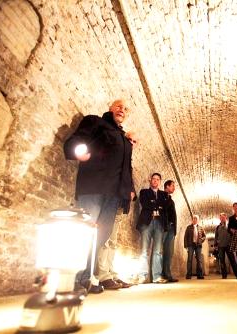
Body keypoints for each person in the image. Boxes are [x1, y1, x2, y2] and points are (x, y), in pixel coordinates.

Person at [63, 99, 136, 293]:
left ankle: (86, 277)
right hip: (93, 188)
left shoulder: (125, 138)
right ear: (110, 108)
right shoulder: (96, 122)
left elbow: (126, 167)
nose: (122, 109)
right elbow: (77, 139)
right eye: (119, 106)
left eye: (126, 109)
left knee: (100, 236)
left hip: (113, 195)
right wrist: (77, 151)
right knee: (84, 233)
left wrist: (130, 189)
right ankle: (72, 279)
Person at [136, 173, 169, 284]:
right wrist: (157, 205)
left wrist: (155, 203)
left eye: (157, 179)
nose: (155, 181)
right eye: (153, 179)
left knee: (157, 251)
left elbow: (165, 207)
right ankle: (142, 276)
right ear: (150, 180)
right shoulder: (144, 192)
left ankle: (156, 276)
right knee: (144, 250)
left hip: (159, 224)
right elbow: (145, 204)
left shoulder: (164, 194)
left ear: (160, 182)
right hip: (147, 223)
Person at [161, 180, 179, 283]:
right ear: (167, 186)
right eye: (172, 186)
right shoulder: (161, 196)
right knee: (160, 251)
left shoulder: (171, 200)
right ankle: (162, 274)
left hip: (171, 229)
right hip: (164, 227)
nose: (174, 188)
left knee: (169, 252)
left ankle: (167, 274)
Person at [215, 213, 237, 279]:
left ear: (226, 218)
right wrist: (216, 245)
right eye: (221, 218)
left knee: (232, 260)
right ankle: (224, 275)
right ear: (220, 219)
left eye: (223, 217)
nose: (222, 219)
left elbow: (234, 234)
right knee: (222, 261)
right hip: (220, 246)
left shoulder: (230, 225)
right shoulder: (218, 227)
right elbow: (216, 237)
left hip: (229, 245)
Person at [184, 215, 206, 279]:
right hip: (190, 245)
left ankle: (200, 275)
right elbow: (185, 237)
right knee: (189, 260)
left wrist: (201, 240)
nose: (194, 220)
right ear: (192, 220)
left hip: (198, 245)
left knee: (199, 260)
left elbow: (204, 236)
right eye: (193, 218)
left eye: (196, 219)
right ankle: (188, 275)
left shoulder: (200, 228)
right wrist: (186, 246)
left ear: (198, 220)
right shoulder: (188, 227)